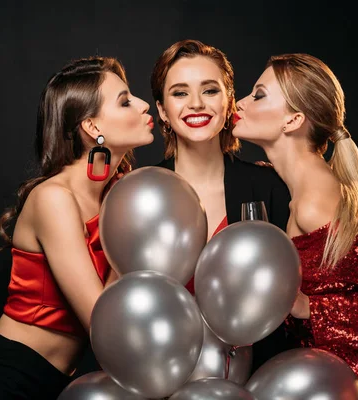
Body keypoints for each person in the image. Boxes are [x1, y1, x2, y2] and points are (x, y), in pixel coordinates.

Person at [0, 56, 154, 399]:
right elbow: (102, 323)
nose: (143, 105)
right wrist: (128, 235)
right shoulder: (54, 198)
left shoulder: (117, 193)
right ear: (93, 128)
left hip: (53, 386)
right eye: (125, 101)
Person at [233, 52, 358, 399]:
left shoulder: (315, 201)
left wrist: (309, 308)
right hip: (317, 379)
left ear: (293, 120)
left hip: (352, 384)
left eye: (258, 94)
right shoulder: (291, 188)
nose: (241, 102)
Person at [150, 39, 292, 372]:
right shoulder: (143, 197)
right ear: (161, 111)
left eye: (210, 91)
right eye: (180, 93)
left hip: (259, 381)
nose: (196, 104)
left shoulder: (271, 187)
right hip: (162, 380)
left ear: (230, 102)